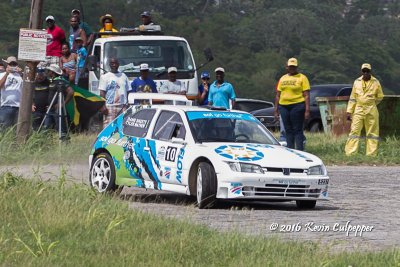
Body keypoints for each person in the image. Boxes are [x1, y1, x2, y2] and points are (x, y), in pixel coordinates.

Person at [345, 63, 384, 156]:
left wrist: (372, 103)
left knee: (372, 132)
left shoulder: (376, 82)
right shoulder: (356, 82)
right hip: (358, 109)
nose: (366, 73)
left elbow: (380, 96)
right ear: (361, 71)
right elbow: (353, 98)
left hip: (371, 109)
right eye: (364, 71)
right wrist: (349, 111)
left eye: (367, 71)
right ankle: (350, 153)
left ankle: (371, 154)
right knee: (354, 131)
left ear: (370, 71)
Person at [274, 58, 310, 151]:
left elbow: (306, 95)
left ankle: (300, 151)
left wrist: (307, 110)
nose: (292, 68)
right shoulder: (282, 78)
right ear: (287, 67)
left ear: (297, 67)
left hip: (297, 105)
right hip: (284, 106)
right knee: (287, 130)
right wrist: (276, 109)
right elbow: (278, 95)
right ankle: (290, 151)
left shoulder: (302, 78)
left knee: (297, 130)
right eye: (290, 66)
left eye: (294, 66)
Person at [45, 64, 74, 138]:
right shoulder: (52, 81)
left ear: (52, 72)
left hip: (58, 110)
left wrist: (63, 103)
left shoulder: (61, 81)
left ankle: (64, 143)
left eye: (49, 71)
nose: (47, 72)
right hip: (50, 109)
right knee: (46, 128)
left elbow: (71, 92)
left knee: (61, 128)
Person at [98, 58, 130, 126]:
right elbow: (102, 93)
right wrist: (103, 106)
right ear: (109, 65)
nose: (114, 65)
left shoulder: (124, 76)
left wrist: (128, 104)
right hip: (110, 107)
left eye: (115, 63)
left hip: (123, 106)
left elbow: (128, 91)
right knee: (109, 127)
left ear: (118, 64)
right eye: (112, 63)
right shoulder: (105, 77)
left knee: (122, 127)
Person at [0, 56, 23, 129]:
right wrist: (7, 73)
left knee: (18, 129)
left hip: (19, 107)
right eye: (11, 64)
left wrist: (22, 73)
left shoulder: (20, 76)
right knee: (4, 129)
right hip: (6, 106)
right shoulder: (2, 74)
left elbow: (26, 89)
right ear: (7, 65)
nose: (13, 66)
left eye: (14, 64)